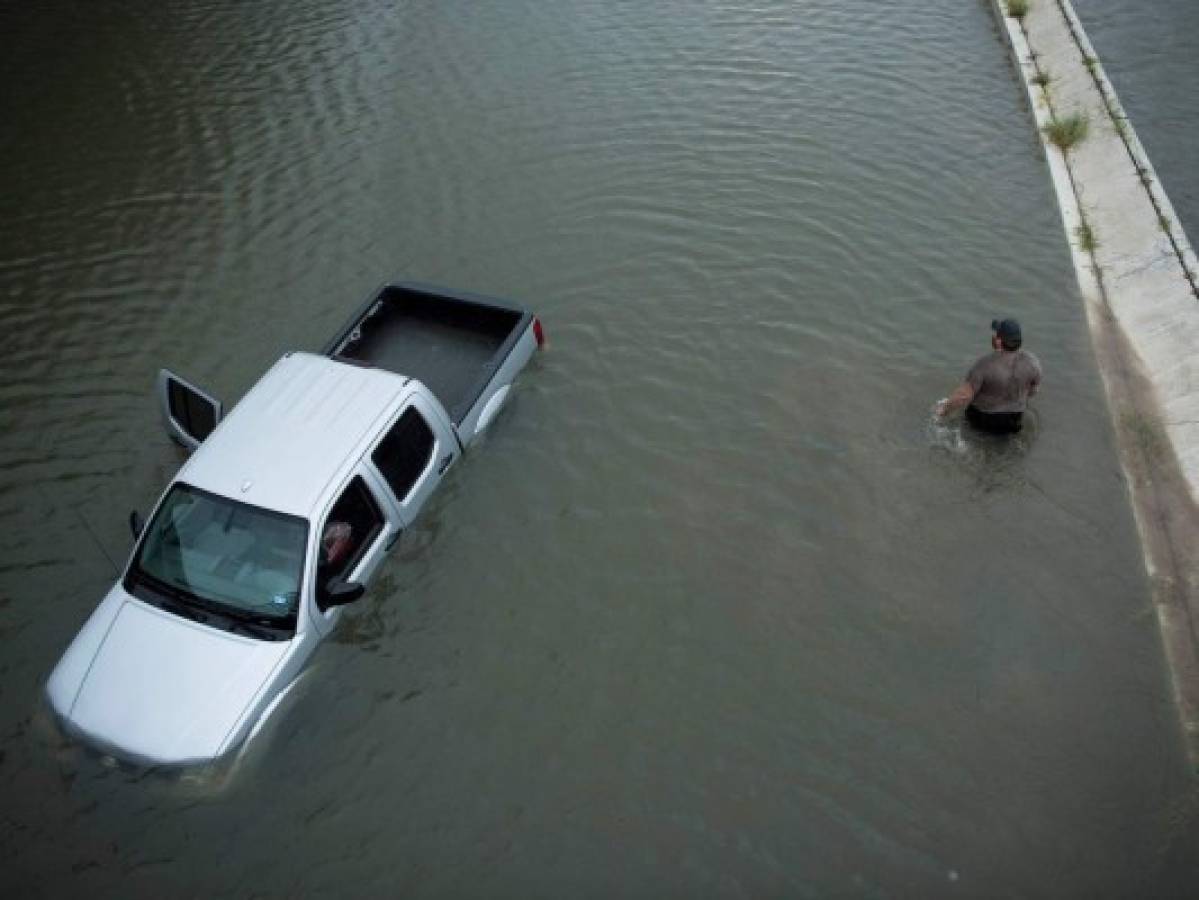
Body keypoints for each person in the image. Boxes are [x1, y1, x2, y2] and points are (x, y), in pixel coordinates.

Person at [936, 318, 1042, 434]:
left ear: (999, 341)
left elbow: (964, 396)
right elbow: (1033, 391)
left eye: (996, 334)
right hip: (1014, 420)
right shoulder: (1032, 363)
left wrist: (943, 410)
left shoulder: (985, 365)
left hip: (983, 420)